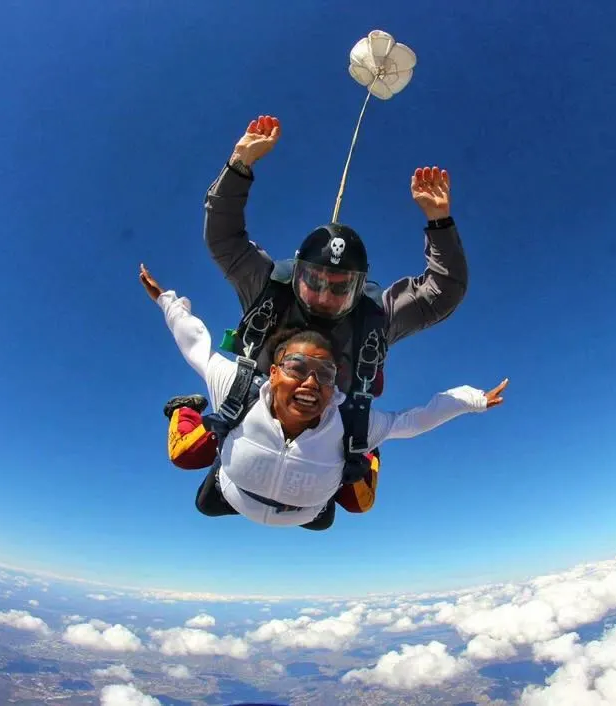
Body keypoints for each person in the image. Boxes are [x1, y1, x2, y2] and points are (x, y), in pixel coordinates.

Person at [163, 115, 471, 519]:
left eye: (341, 286)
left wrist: (440, 221)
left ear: (360, 287)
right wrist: (239, 163)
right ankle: (189, 419)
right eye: (314, 281)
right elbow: (223, 238)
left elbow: (442, 292)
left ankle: (352, 456)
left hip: (328, 435)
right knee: (205, 491)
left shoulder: (374, 315)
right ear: (298, 272)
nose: (325, 295)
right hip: (252, 417)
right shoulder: (269, 288)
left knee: (336, 508)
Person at [140, 264, 508, 529]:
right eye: (297, 367)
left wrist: (473, 400)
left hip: (310, 511)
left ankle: (363, 453)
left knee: (358, 501)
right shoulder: (238, 388)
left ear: (335, 386)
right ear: (273, 371)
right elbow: (195, 344)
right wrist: (168, 302)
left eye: (325, 375)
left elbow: (414, 421)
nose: (311, 383)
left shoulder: (350, 420)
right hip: (236, 493)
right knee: (186, 456)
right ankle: (186, 409)